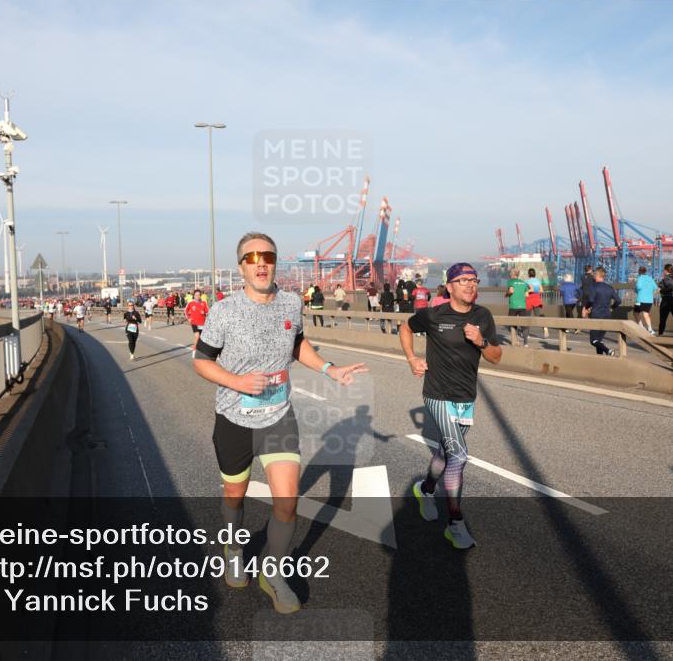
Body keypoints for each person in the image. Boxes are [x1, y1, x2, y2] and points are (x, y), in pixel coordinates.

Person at [193, 232, 367, 613]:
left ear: (275, 263)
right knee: (234, 496)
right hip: (234, 421)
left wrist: (330, 369)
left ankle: (272, 573)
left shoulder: (291, 303)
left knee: (287, 503)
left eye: (268, 257)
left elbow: (297, 344)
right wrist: (236, 381)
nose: (261, 263)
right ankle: (234, 548)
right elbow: (201, 360)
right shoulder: (224, 310)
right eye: (252, 257)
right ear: (241, 267)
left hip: (278, 418)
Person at [399, 262, 501, 549]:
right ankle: (455, 524)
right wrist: (412, 359)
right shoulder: (434, 315)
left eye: (474, 280)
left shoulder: (483, 316)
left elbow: (496, 357)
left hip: (465, 397)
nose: (471, 285)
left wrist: (481, 341)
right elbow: (405, 327)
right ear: (450, 286)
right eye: (464, 280)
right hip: (437, 394)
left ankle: (425, 489)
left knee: (445, 454)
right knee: (459, 454)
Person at [583, 266, 621, 355]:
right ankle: (600, 359)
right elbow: (618, 301)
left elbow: (591, 300)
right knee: (599, 340)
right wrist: (612, 308)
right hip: (607, 316)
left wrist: (586, 307)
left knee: (593, 341)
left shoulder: (593, 286)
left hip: (596, 315)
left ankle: (608, 351)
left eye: (594, 274)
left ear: (597, 275)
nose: (593, 276)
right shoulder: (609, 288)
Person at [504, 268, 529, 347]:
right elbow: (527, 295)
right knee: (524, 325)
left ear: (513, 274)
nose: (509, 274)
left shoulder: (510, 281)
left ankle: (516, 341)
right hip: (522, 306)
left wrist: (506, 294)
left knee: (511, 324)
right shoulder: (523, 282)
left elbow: (511, 291)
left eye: (510, 273)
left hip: (513, 306)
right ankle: (526, 343)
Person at [632, 266, 658, 336]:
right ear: (645, 271)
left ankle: (641, 327)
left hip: (640, 300)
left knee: (635, 313)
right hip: (649, 300)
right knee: (646, 314)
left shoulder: (640, 278)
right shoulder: (650, 278)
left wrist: (635, 290)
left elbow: (639, 287)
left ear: (639, 271)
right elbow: (655, 288)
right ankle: (650, 329)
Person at [525, 268, 548, 339]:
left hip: (529, 299)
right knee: (538, 315)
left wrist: (527, 292)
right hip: (537, 298)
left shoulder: (527, 281)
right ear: (534, 274)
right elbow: (541, 290)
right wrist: (536, 290)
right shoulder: (538, 281)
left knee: (527, 316)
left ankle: (527, 334)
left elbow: (530, 290)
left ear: (528, 274)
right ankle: (544, 327)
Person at [185, 289, 210, 355]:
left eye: (199, 295)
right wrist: (188, 318)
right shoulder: (190, 303)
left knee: (201, 338)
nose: (197, 296)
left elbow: (208, 312)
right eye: (196, 295)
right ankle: (194, 350)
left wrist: (204, 313)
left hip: (202, 323)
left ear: (200, 295)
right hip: (194, 322)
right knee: (197, 335)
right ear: (194, 295)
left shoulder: (204, 303)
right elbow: (186, 311)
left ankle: (199, 350)